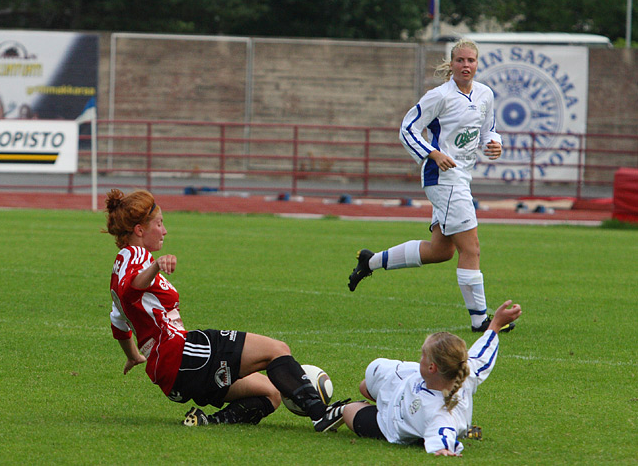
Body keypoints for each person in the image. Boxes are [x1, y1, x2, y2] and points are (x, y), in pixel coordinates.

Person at [104, 188, 348, 431]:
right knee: (277, 350)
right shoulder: (135, 256)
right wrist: (156, 265)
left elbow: (119, 323)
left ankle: (208, 421)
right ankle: (321, 414)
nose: (164, 230)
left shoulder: (120, 265)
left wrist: (133, 356)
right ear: (139, 230)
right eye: (159, 223)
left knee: (271, 394)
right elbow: (131, 289)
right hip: (181, 354)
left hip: (174, 374)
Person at [348, 39, 512, 333]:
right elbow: (407, 128)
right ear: (451, 64)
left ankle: (370, 262)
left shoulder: (485, 94)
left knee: (441, 251)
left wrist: (495, 144)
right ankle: (480, 321)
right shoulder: (439, 96)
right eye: (460, 60)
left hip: (461, 177)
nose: (466, 65)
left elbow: (489, 130)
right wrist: (432, 154)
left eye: (471, 60)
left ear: (477, 64)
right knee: (471, 248)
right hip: (442, 178)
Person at [338, 300, 522, 456]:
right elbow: (483, 353)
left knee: (349, 410)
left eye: (422, 355)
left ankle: (422, 434)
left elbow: (443, 432)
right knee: (367, 382)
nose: (420, 357)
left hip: (391, 424)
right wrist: (496, 324)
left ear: (432, 367)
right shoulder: (465, 370)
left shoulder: (438, 413)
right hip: (405, 383)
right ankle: (456, 430)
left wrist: (442, 449)